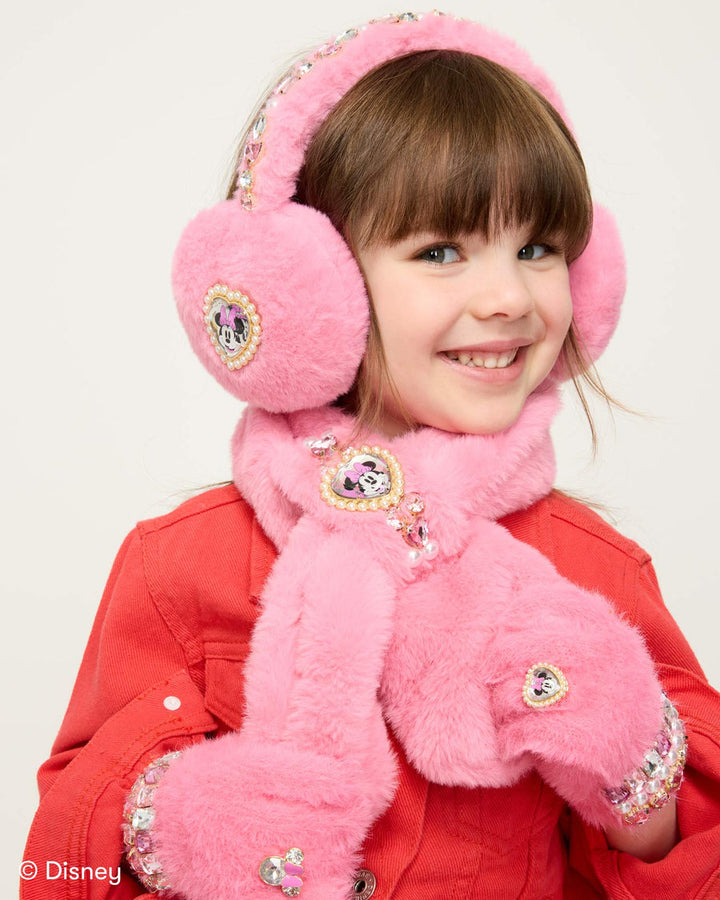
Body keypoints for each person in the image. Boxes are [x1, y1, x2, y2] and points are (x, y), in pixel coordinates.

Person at [21, 12, 720, 900]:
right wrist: (175, 823)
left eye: (539, 247)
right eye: (442, 250)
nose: (509, 296)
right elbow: (59, 858)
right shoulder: (177, 567)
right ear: (306, 286)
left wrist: (634, 766)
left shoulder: (596, 574)